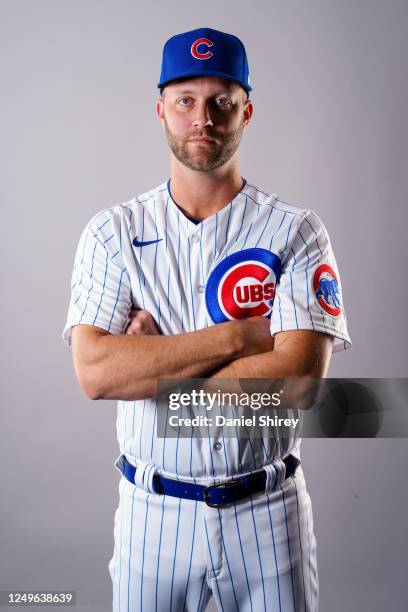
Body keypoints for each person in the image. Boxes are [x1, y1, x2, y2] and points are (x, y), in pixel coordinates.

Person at [63, 27, 351, 612]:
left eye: (222, 100)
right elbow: (95, 374)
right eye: (185, 101)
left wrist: (149, 367)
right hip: (153, 513)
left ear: (247, 111)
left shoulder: (295, 231)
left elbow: (297, 384)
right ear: (161, 110)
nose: (204, 118)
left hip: (267, 513)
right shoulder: (112, 233)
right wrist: (243, 337)